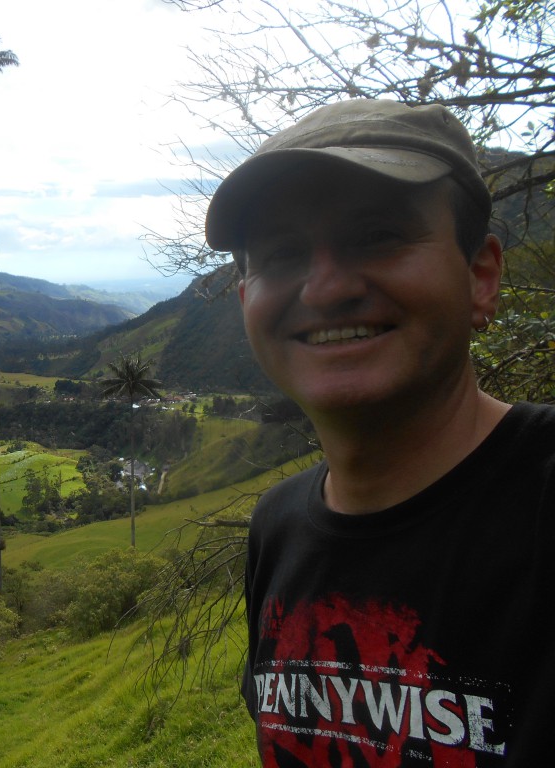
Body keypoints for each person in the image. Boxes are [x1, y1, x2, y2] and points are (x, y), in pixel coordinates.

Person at [204, 98, 555, 766]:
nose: (326, 287)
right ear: (247, 298)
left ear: (481, 276)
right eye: (281, 253)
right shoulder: (276, 530)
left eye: (379, 236)